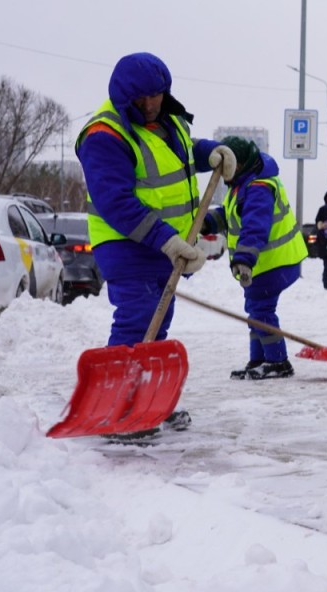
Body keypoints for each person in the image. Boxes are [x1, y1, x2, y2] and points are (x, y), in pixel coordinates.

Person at [76, 52, 237, 428]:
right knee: (137, 320)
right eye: (142, 99)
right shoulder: (104, 135)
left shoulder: (167, 120)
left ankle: (145, 403)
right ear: (123, 96)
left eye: (157, 96)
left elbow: (181, 152)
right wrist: (167, 239)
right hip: (125, 243)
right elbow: (116, 202)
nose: (150, 105)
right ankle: (116, 410)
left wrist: (209, 151)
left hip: (161, 245)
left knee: (158, 321)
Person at [202, 137, 308, 380]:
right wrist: (207, 222)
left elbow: (254, 225)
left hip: (274, 261)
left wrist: (244, 258)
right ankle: (259, 359)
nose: (225, 173)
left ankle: (278, 361)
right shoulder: (243, 184)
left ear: (240, 164)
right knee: (255, 309)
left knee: (261, 309)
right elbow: (231, 216)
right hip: (265, 262)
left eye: (229, 167)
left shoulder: (259, 187)